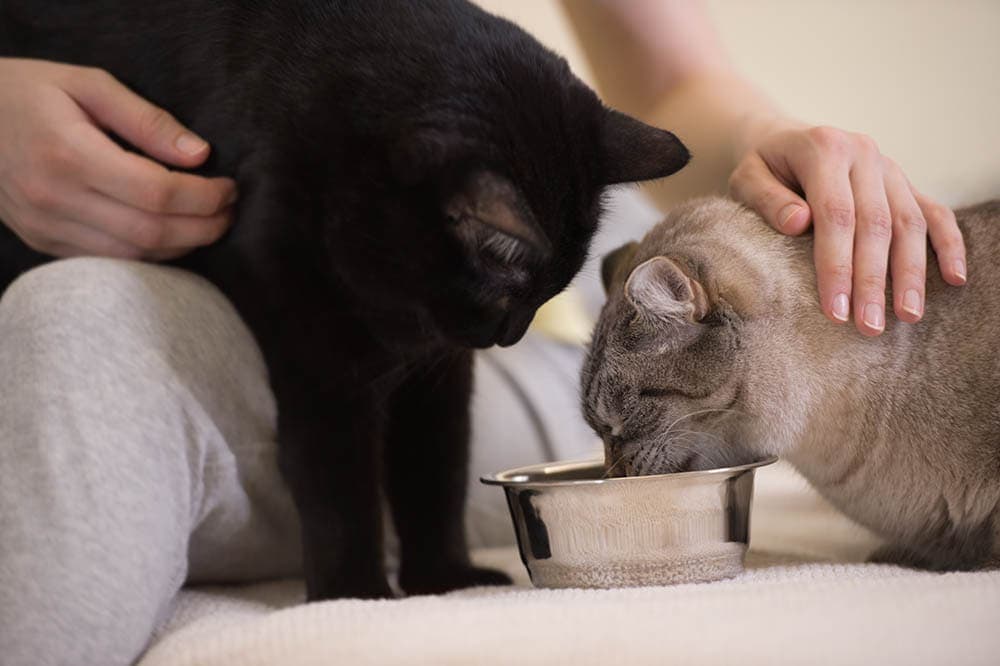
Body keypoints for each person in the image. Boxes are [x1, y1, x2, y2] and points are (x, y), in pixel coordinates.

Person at [0, 3, 968, 665]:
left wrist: (770, 138)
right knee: (72, 326)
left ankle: (568, 374)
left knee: (572, 333)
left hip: (451, 300)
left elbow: (671, 92)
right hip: (149, 299)